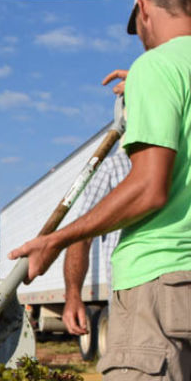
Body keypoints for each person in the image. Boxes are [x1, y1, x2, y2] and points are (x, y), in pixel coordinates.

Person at [9, 0, 191, 381]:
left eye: (140, 26)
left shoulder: (157, 67)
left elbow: (149, 189)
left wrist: (57, 237)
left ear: (145, 10)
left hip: (157, 278)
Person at [62, 141, 131, 338]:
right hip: (126, 298)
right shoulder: (116, 168)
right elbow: (81, 236)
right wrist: (73, 295)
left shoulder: (185, 168)